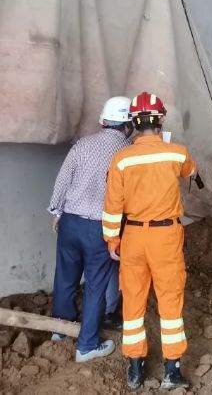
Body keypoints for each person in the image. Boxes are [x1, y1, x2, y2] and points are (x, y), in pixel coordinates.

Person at [102, 91, 196, 390]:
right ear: (161, 121)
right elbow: (190, 171)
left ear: (133, 123)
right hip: (166, 236)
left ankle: (135, 368)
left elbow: (112, 205)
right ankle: (172, 370)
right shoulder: (177, 152)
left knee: (132, 301)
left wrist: (112, 240)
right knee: (170, 301)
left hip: (133, 238)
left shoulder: (120, 159)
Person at [48, 96, 133, 362]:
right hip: (102, 227)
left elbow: (63, 180)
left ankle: (60, 330)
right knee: (96, 285)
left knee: (65, 277)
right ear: (129, 125)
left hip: (71, 222)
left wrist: (57, 211)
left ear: (102, 121)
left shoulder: (82, 145)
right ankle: (86, 346)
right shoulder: (128, 153)